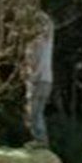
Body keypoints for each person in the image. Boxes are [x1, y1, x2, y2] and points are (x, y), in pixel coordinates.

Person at [24, 11, 54, 145]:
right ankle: (40, 140)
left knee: (33, 113)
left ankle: (40, 140)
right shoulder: (43, 42)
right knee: (37, 112)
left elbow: (49, 25)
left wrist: (35, 13)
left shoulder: (39, 42)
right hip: (45, 80)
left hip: (38, 80)